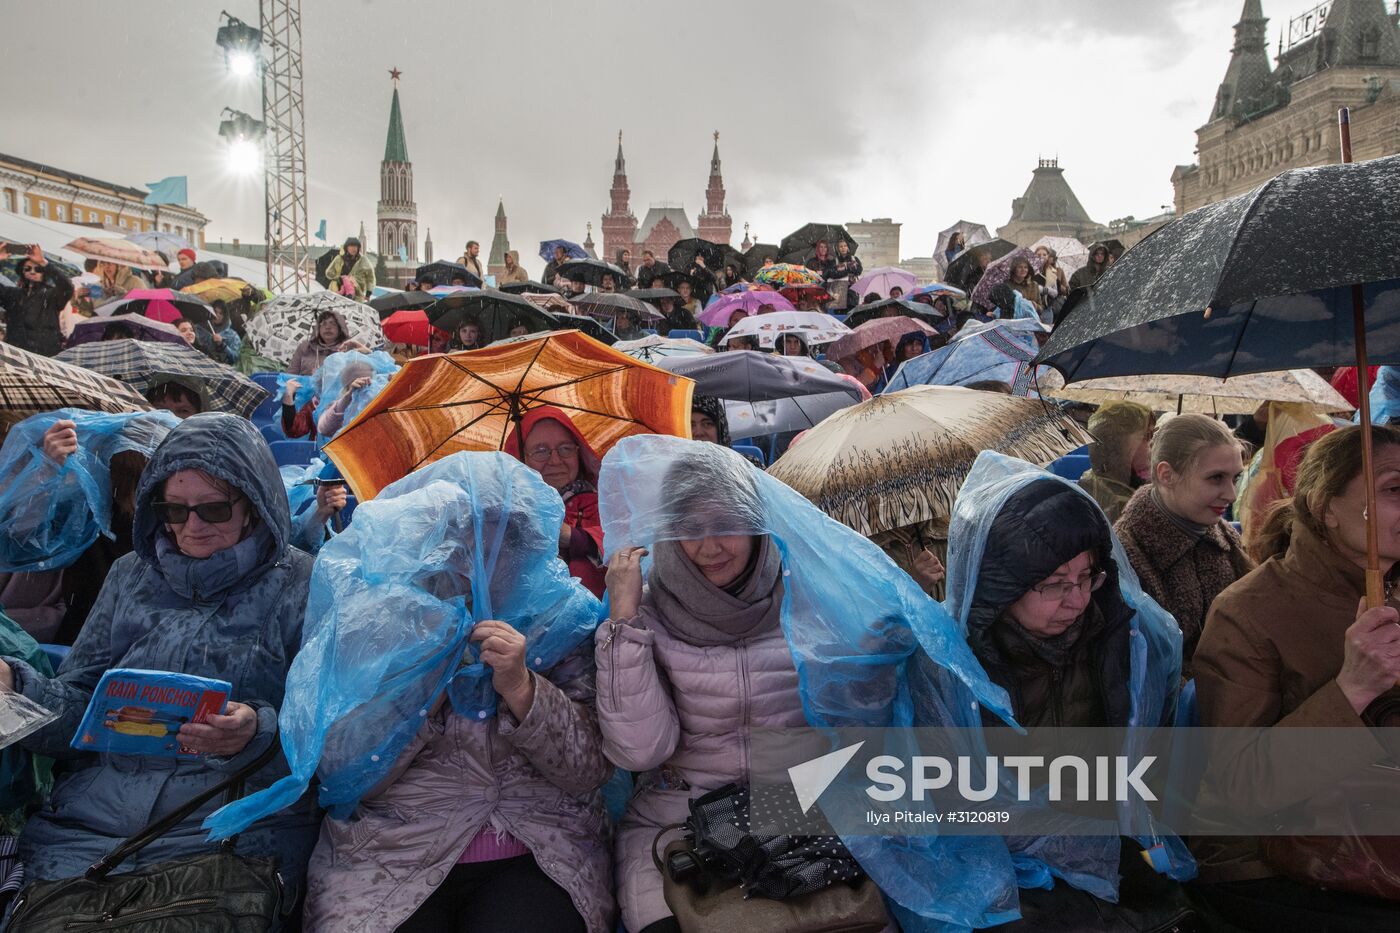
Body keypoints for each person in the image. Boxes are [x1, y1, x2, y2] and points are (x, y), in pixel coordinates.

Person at [0, 414, 322, 908]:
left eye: (213, 509)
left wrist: (253, 732)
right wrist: (17, 687)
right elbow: (76, 712)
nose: (190, 526)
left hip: (227, 825)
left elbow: (329, 734)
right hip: (89, 827)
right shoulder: (130, 575)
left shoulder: (304, 584)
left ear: (253, 507)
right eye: (172, 510)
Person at [941, 453, 1193, 928]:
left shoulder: (1123, 640)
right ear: (1002, 588)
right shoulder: (958, 665)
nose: (1078, 600)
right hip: (1007, 856)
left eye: (1086, 577)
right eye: (1055, 585)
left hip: (1107, 834)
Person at [1191, 424, 1400, 930]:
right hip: (1272, 857)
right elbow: (1240, 787)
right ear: (1328, 507)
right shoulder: (1248, 614)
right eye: (1394, 489)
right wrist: (1352, 689)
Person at [597, 456, 808, 933]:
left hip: (794, 811)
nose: (709, 547)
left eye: (727, 524)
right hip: (681, 820)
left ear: (757, 525)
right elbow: (639, 749)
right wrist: (624, 622)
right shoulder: (647, 612)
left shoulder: (805, 601)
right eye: (690, 528)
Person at [1115, 414, 1253, 676]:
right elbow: (1146, 671)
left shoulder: (1225, 538)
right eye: (1216, 478)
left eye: (1235, 478)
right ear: (1166, 474)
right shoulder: (1127, 555)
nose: (1231, 494)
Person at [505, 408, 605, 597]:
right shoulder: (505, 514)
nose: (556, 460)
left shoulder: (605, 504)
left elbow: (623, 548)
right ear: (520, 459)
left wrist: (574, 537)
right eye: (541, 451)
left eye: (565, 448)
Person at [1079, 401, 1154, 523]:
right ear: (1120, 444)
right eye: (1147, 435)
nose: (1152, 443)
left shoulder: (1092, 477)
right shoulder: (1124, 508)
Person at [0, 244, 74, 357]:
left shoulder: (51, 295)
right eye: (27, 268)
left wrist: (43, 261)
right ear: (22, 272)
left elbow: (67, 287)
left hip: (45, 356)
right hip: (16, 354)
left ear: (44, 273)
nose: (32, 272)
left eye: (38, 269)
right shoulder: (13, 294)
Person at [288, 308, 369, 376]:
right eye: (323, 323)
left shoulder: (349, 348)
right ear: (318, 328)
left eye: (333, 323)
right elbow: (291, 375)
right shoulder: (305, 347)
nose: (327, 327)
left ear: (340, 328)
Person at [204, 300, 242, 365]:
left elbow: (236, 358)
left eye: (221, 313)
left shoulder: (233, 335)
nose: (217, 315)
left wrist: (222, 345)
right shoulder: (203, 330)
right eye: (215, 312)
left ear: (225, 315)